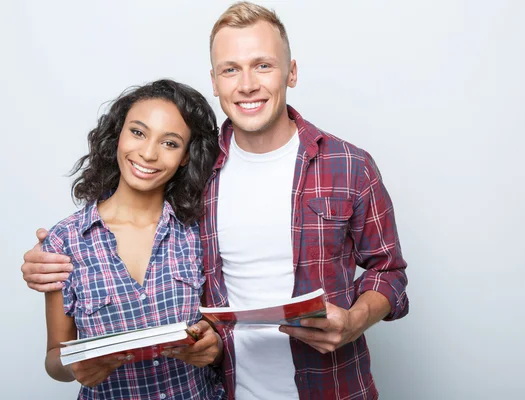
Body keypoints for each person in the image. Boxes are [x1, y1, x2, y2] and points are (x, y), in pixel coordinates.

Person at [22, 2, 409, 399]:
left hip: (332, 387)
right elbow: (130, 197)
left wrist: (356, 319)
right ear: (214, 80)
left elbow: (389, 269)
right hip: (227, 390)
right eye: (230, 69)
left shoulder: (349, 165)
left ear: (291, 72)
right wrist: (51, 252)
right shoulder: (198, 175)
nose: (246, 85)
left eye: (263, 65)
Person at [40, 79, 226, 399]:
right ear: (118, 135)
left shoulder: (200, 232)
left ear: (185, 156)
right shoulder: (63, 242)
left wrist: (215, 347)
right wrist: (75, 367)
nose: (148, 153)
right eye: (137, 132)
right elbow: (55, 358)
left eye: (170, 143)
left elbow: (220, 330)